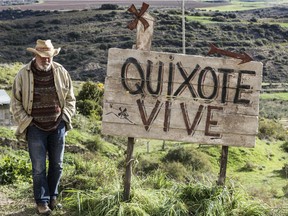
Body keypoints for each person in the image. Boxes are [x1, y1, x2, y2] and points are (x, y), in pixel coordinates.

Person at [10, 39, 76, 214]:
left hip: (58, 125)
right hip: (35, 128)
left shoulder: (61, 71)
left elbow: (70, 99)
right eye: (43, 57)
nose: (47, 60)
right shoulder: (23, 74)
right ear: (35, 55)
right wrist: (27, 121)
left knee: (58, 164)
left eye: (49, 56)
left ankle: (52, 198)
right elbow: (15, 102)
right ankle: (41, 202)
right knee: (38, 167)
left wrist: (65, 117)